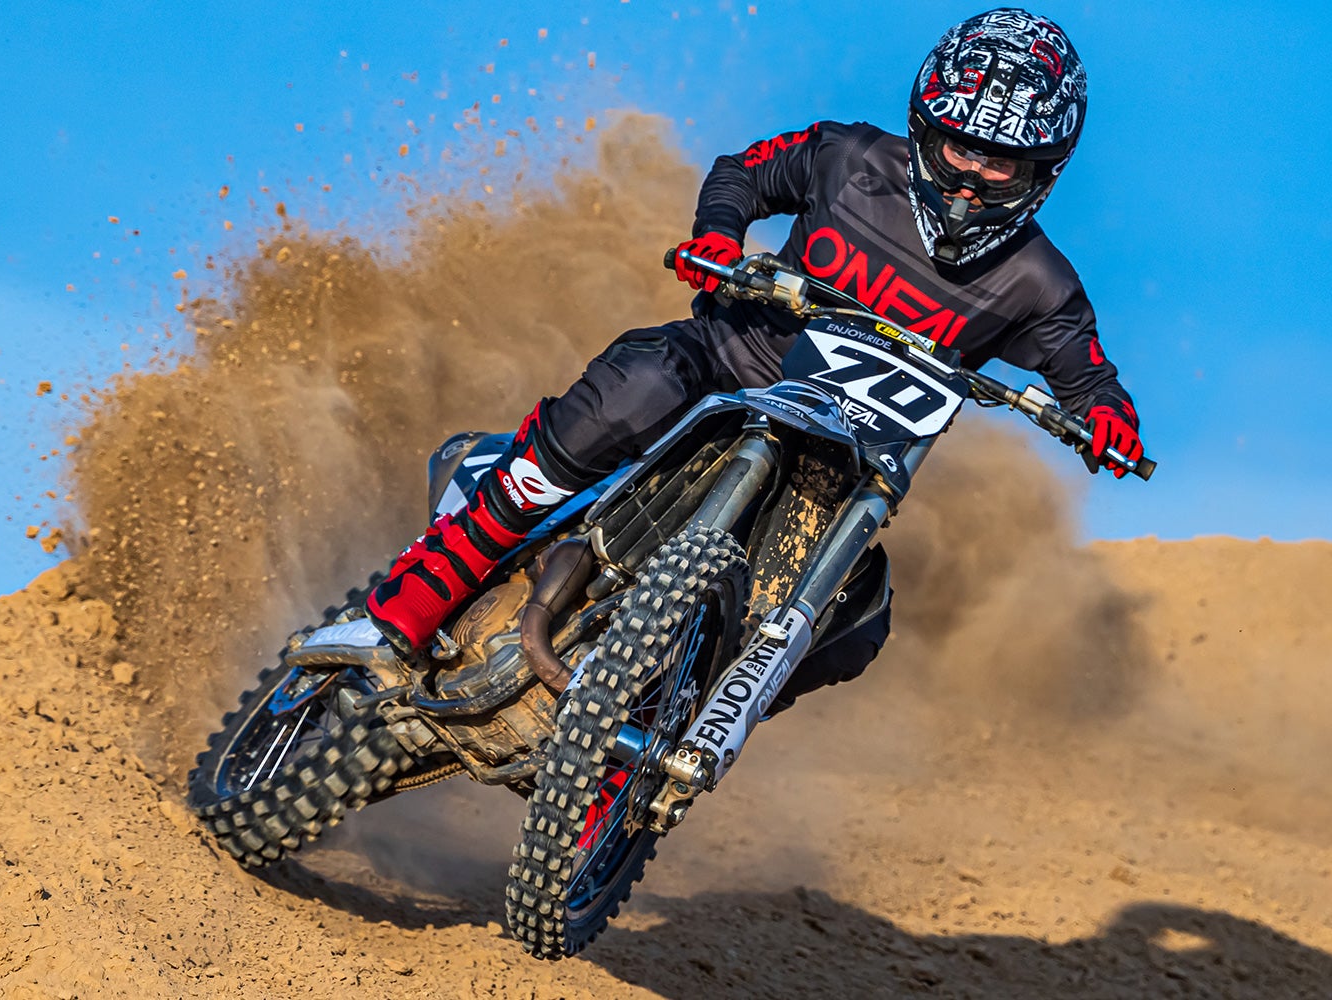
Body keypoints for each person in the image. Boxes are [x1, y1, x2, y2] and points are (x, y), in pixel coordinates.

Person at [364, 7, 1144, 706]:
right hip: (724, 370)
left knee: (861, 615)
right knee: (640, 380)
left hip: (842, 465)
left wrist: (1110, 421)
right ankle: (435, 577)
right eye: (957, 147)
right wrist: (718, 237)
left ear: (1043, 174)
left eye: (999, 163)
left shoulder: (1041, 283)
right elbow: (743, 171)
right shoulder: (845, 156)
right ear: (923, 126)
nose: (971, 177)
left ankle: (672, 723)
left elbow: (1087, 376)